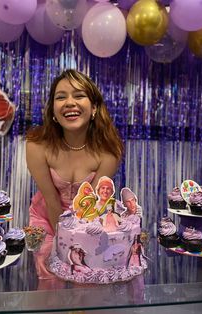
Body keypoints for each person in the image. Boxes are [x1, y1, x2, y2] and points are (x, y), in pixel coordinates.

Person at [26, 69, 123, 279]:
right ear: (53, 110)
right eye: (61, 97)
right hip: (47, 219)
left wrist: (77, 247)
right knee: (49, 272)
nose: (70, 102)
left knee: (86, 274)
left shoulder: (109, 151)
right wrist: (63, 247)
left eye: (79, 96)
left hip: (90, 220)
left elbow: (93, 207)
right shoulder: (36, 145)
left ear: (94, 108)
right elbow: (51, 201)